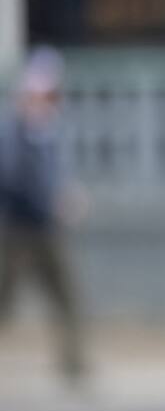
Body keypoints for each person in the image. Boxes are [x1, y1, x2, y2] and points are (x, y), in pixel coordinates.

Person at [0, 46, 89, 384]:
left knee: (68, 298)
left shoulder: (49, 133)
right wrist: (50, 202)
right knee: (4, 302)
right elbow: (11, 180)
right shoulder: (12, 134)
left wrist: (65, 198)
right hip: (16, 232)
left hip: (48, 231)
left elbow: (55, 178)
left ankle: (74, 364)